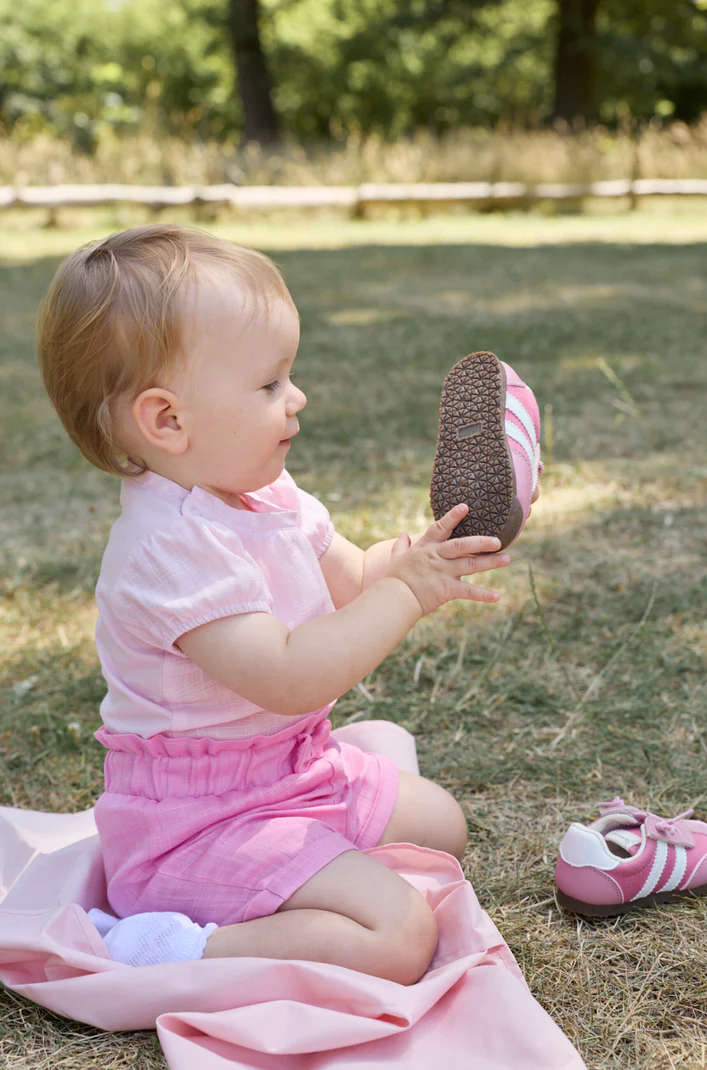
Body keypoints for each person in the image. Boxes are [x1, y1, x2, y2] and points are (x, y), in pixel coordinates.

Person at [36, 224, 533, 984]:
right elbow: (289, 677)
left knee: (441, 829)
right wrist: (407, 594)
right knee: (396, 936)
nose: (295, 398)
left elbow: (353, 576)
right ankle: (166, 945)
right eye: (269, 385)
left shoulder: (263, 493)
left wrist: (424, 553)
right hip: (198, 826)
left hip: (283, 772)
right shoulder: (169, 550)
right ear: (167, 420)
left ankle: (309, 854)